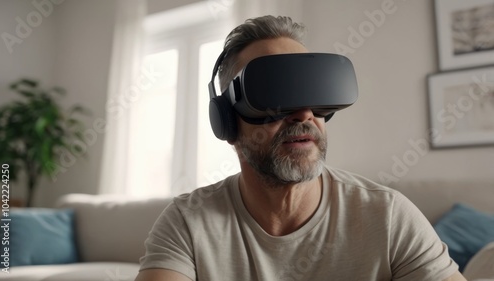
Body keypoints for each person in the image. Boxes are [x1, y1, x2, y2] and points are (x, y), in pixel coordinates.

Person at [135, 15, 466, 281]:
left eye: (311, 92)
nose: (305, 113)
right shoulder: (187, 222)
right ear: (227, 121)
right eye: (276, 93)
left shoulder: (389, 217)